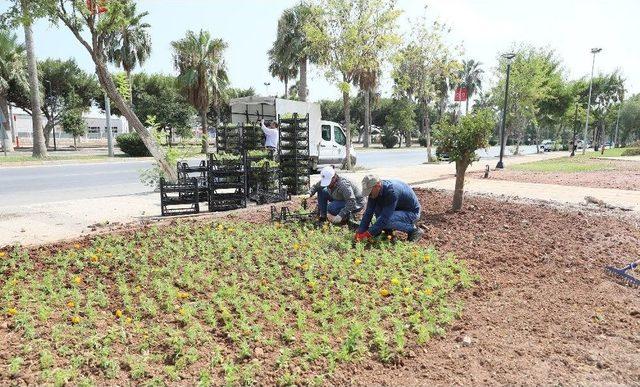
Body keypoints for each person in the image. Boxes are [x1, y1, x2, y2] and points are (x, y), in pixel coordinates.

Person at [355, 174, 424, 242]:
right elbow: (368, 212)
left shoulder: (391, 192)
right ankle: (387, 230)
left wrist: (367, 234)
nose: (368, 195)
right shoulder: (375, 192)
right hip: (396, 209)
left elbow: (384, 218)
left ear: (378, 185)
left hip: (411, 213)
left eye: (369, 192)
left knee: (386, 221)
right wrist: (360, 231)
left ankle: (413, 230)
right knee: (379, 216)